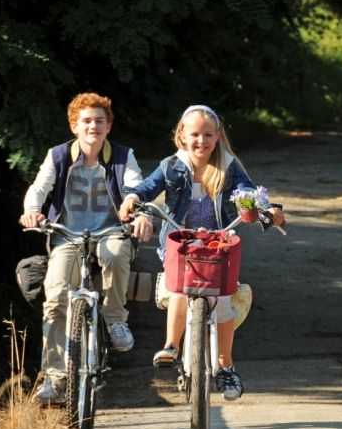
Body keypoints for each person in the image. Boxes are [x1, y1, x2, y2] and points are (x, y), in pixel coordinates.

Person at [118, 104, 285, 401]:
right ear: (182, 135)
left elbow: (247, 192)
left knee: (222, 302)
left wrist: (266, 210)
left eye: (208, 135)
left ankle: (225, 366)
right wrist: (132, 199)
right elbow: (147, 188)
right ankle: (171, 345)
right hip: (181, 242)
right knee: (180, 290)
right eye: (195, 134)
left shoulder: (228, 165)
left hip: (217, 244)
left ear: (217, 136)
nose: (201, 141)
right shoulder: (172, 165)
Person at [20, 92, 152, 404]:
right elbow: (39, 188)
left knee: (116, 254)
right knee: (55, 296)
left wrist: (136, 209)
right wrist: (32, 211)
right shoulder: (58, 155)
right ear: (74, 126)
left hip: (111, 231)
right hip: (68, 234)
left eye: (99, 121)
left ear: (108, 126)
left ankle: (115, 319)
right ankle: (55, 380)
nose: (93, 126)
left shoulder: (123, 155)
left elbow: (135, 186)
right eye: (87, 121)